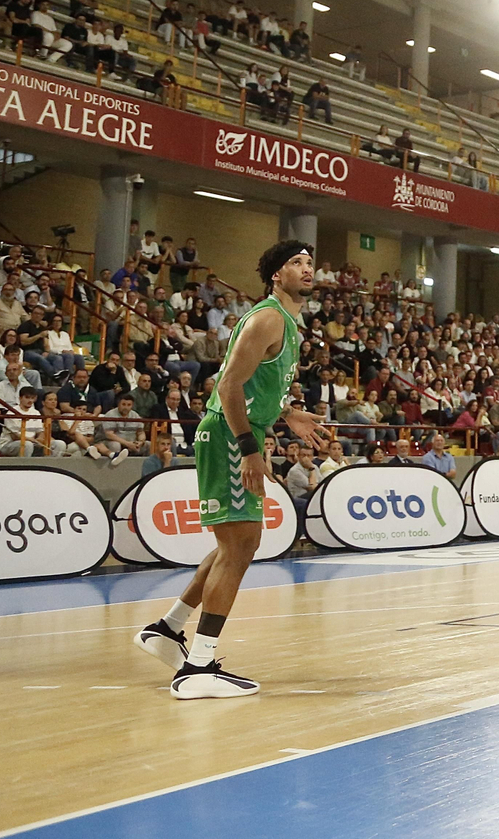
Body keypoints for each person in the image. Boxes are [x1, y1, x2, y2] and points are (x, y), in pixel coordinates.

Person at [131, 240, 325, 699]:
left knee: (235, 544)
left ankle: (168, 629)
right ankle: (198, 667)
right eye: (296, 263)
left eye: (310, 263)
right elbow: (228, 384)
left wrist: (285, 414)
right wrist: (248, 448)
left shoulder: (289, 322)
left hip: (242, 432)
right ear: (276, 274)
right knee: (240, 544)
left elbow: (254, 387)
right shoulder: (268, 317)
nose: (306, 268)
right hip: (229, 437)